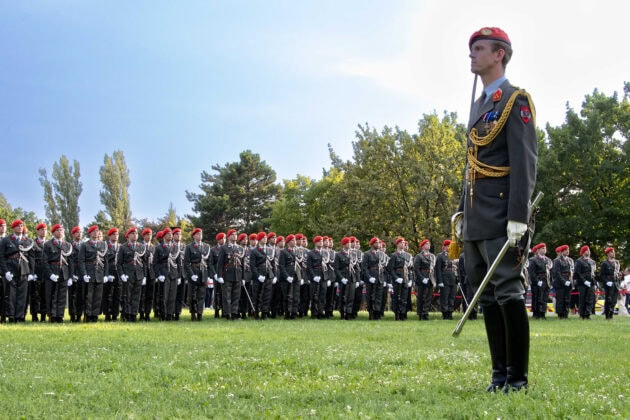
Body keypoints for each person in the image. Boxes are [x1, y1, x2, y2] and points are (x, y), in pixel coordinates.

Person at [454, 27, 537, 393]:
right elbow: (471, 163)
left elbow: (525, 162)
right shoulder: (479, 104)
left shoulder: (514, 100)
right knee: (484, 295)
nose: (472, 55)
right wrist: (461, 212)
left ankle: (517, 379)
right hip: (475, 216)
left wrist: (519, 216)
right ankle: (498, 375)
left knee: (507, 290)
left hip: (503, 215)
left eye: (479, 49)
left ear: (499, 54)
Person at [436, 239, 457, 320]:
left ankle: (450, 312)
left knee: (452, 297)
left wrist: (457, 279)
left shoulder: (453, 256)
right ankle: (445, 313)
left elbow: (455, 268)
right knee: (445, 297)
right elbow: (438, 269)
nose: (450, 248)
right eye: (448, 246)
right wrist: (440, 281)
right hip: (444, 280)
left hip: (453, 279)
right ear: (444, 247)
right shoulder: (440, 256)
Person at [573, 245, 596, 319]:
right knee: (582, 299)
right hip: (582, 283)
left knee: (590, 298)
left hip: (591, 282)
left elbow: (593, 273)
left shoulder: (592, 261)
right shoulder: (579, 261)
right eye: (587, 250)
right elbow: (577, 273)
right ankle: (582, 314)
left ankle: (588, 313)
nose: (588, 252)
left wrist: (594, 283)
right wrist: (584, 281)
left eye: (589, 250)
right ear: (583, 252)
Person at [551, 245, 573, 318]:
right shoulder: (557, 260)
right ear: (562, 251)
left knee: (567, 298)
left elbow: (571, 271)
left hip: (568, 280)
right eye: (566, 250)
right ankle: (560, 314)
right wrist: (564, 281)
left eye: (568, 250)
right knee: (560, 299)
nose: (567, 251)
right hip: (560, 282)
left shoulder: (569, 260)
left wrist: (570, 280)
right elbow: (557, 272)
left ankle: (566, 313)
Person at [600, 247, 620, 320]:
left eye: (614, 252)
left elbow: (617, 273)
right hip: (608, 282)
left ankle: (611, 314)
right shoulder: (604, 263)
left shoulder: (616, 262)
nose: (613, 253)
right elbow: (601, 274)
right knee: (608, 299)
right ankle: (607, 315)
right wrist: (606, 281)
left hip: (615, 282)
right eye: (612, 252)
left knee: (614, 300)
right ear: (608, 254)